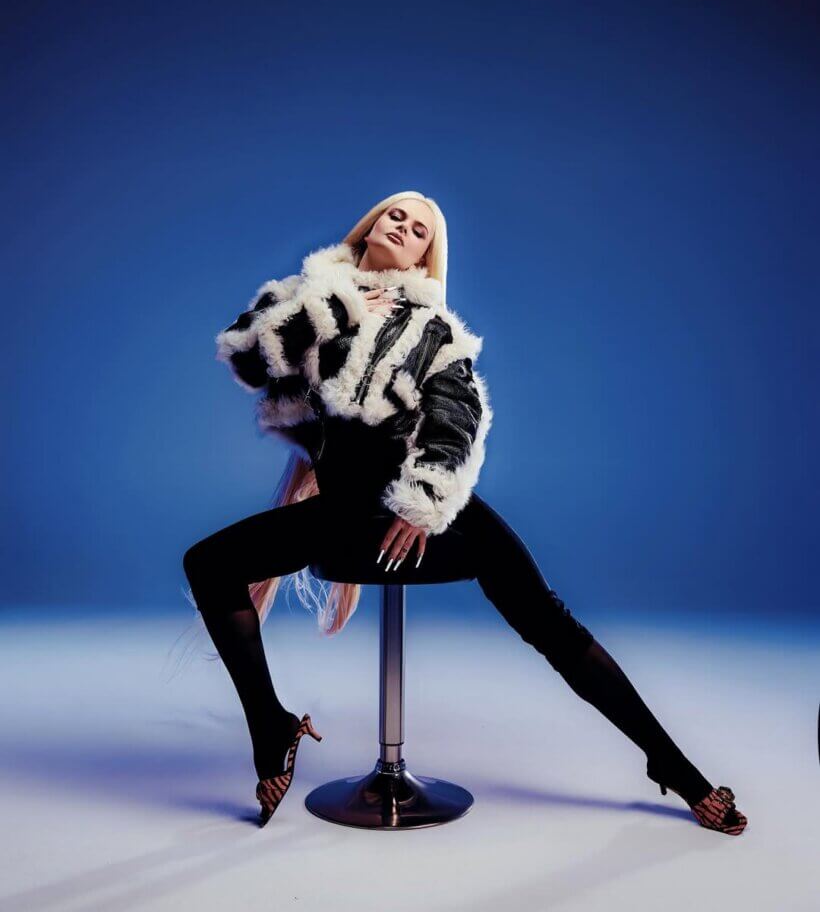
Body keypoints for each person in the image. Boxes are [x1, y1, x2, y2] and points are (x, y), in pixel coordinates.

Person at [182, 190, 747, 835]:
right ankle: (271, 729)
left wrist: (423, 500)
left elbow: (457, 415)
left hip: (417, 515)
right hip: (340, 514)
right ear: (370, 226)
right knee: (209, 564)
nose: (404, 227)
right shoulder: (306, 295)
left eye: (420, 229)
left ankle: (673, 765)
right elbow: (246, 354)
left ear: (424, 257)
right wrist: (336, 308)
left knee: (550, 622)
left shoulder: (432, 328)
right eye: (396, 215)